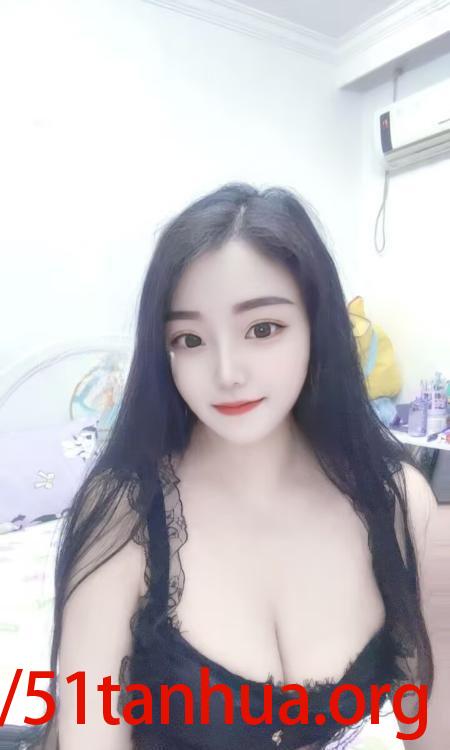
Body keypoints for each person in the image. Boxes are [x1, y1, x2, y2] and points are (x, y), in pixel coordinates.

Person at [33, 183, 435, 750]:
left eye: (262, 329)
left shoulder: (397, 500)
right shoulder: (124, 513)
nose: (227, 372)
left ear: (317, 327)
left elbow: (431, 720)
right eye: (190, 338)